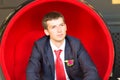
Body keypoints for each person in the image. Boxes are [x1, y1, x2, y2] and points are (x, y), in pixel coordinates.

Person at [26, 11, 101, 80]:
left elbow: (91, 71)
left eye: (61, 25)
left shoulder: (75, 44)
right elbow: (31, 72)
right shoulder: (40, 46)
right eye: (53, 27)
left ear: (66, 27)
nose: (59, 30)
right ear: (47, 32)